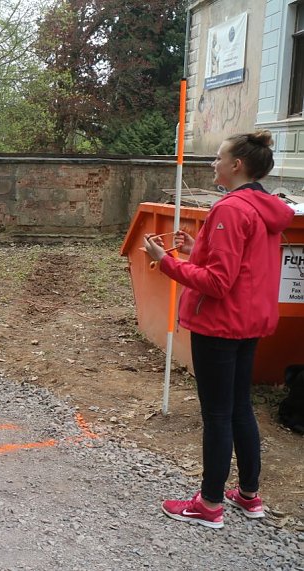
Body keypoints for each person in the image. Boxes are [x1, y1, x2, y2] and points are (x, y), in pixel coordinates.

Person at [143, 130, 294, 528]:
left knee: (218, 413)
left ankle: (209, 504)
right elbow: (243, 266)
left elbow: (218, 283)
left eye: (218, 158)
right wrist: (198, 250)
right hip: (249, 322)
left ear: (237, 165)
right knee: (240, 406)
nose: (213, 163)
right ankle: (248, 495)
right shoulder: (267, 207)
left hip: (221, 324)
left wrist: (166, 261)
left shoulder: (230, 209)